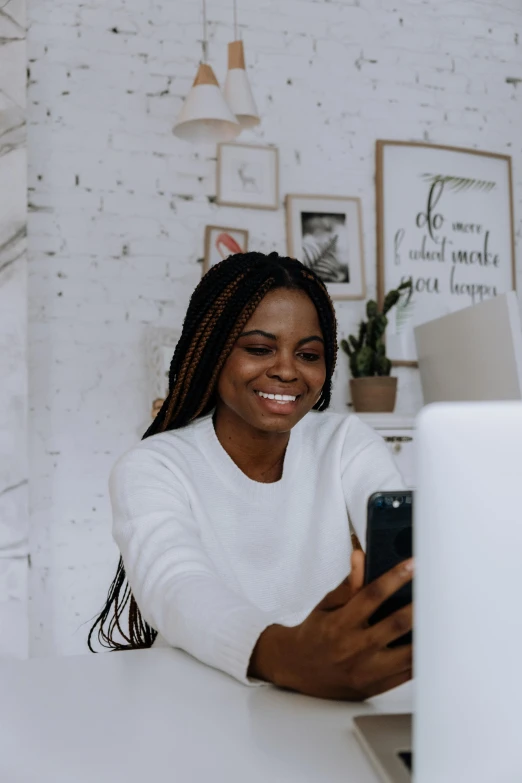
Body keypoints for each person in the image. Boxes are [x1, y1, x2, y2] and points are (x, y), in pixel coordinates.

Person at [88, 251, 413, 701]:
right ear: (215, 352)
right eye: (259, 349)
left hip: (325, 701)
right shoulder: (154, 466)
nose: (286, 369)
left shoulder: (344, 441)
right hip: (194, 704)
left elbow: (402, 546)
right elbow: (177, 586)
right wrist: (289, 655)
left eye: (308, 354)